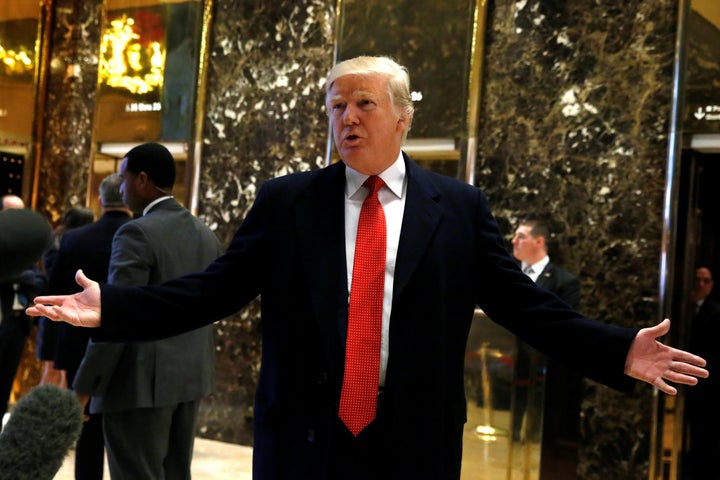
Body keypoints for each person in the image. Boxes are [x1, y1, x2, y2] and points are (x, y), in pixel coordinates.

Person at [28, 56, 708, 480]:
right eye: (335, 107)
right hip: (303, 440)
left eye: (364, 104)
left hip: (411, 443)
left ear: (404, 117)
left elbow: (524, 305)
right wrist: (112, 309)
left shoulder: (458, 208)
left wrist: (619, 350)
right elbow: (214, 291)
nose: (346, 119)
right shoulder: (290, 202)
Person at [70, 143, 222, 480]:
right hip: (190, 378)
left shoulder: (136, 232)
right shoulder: (204, 233)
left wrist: (85, 387)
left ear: (142, 180)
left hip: (138, 385)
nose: (120, 189)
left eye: (123, 180)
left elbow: (119, 315)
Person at [37, 174, 132, 480]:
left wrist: (51, 349)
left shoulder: (75, 238)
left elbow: (55, 292)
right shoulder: (139, 234)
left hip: (79, 342)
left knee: (86, 426)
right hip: (130, 343)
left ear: (101, 200)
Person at [511, 218, 582, 474]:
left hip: (545, 374)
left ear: (539, 241)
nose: (514, 241)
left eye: (521, 236)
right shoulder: (504, 273)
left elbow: (568, 325)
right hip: (508, 366)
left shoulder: (564, 281)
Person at [37, 205, 95, 387]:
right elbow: (54, 276)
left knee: (62, 370)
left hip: (67, 309)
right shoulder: (59, 243)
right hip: (58, 309)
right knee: (54, 369)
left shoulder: (67, 243)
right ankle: (41, 411)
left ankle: (57, 412)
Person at [0, 196, 46, 417]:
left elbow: (38, 280)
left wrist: (18, 277)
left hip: (18, 324)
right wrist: (19, 277)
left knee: (6, 382)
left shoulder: (26, 247)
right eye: (12, 211)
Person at [686, 265, 720, 480]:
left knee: (704, 436)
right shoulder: (681, 307)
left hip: (705, 385)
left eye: (705, 280)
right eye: (697, 279)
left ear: (711, 285)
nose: (700, 284)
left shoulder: (716, 312)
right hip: (683, 382)